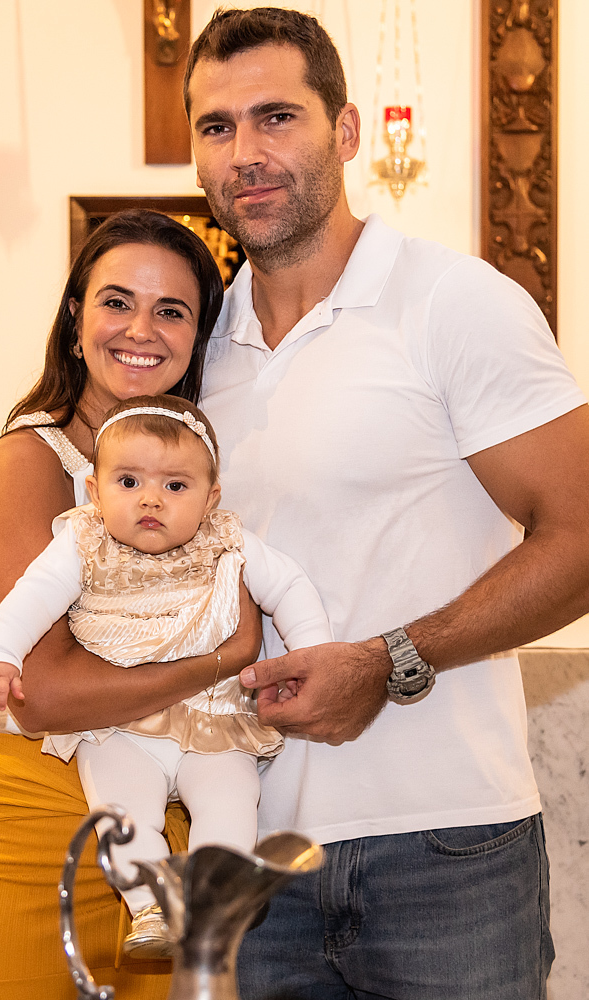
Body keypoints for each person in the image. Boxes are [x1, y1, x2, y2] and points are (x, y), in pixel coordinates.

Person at [177, 7, 589, 1000]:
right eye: (217, 126)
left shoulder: (452, 302)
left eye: (277, 116)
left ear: (347, 130)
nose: (245, 152)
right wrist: (10, 662)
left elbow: (581, 535)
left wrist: (390, 659)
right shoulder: (193, 350)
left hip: (444, 848)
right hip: (248, 851)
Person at [0, 210, 263, 999]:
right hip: (28, 828)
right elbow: (39, 692)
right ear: (76, 319)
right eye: (116, 302)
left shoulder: (194, 487)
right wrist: (222, 659)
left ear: (196, 339)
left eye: (171, 310)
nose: (140, 329)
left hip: (163, 835)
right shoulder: (28, 461)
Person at [0, 393, 332, 959]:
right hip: (119, 726)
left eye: (175, 486)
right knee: (120, 812)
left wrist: (313, 657)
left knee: (232, 803)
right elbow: (31, 597)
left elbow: (290, 586)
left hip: (213, 720)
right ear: (95, 491)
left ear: (211, 498)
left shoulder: (228, 540)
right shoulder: (82, 541)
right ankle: (151, 907)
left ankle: (213, 903)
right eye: (128, 482)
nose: (151, 499)